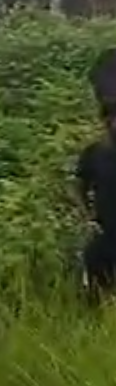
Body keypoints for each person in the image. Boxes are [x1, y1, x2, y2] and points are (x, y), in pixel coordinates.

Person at [76, 100, 116, 300]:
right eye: (112, 118)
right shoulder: (94, 153)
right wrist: (86, 216)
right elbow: (79, 187)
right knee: (97, 291)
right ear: (105, 121)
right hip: (104, 230)